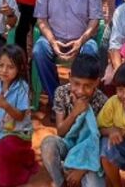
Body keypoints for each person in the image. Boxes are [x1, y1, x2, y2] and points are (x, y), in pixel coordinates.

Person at [32, 0, 103, 108]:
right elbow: (41, 19)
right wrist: (52, 41)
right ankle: (57, 101)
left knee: (91, 50)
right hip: (54, 39)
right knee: (39, 50)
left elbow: (95, 20)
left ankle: (83, 102)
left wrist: (80, 41)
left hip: (83, 39)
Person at [41, 54, 108, 187]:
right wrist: (75, 113)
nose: (80, 91)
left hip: (89, 153)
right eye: (76, 83)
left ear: (96, 82)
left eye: (88, 86)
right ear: (70, 77)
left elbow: (98, 142)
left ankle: (76, 171)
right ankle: (61, 182)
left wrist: (81, 169)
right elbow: (60, 132)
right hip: (68, 144)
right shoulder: (61, 92)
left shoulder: (102, 101)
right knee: (48, 144)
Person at [0, 45, 39, 186]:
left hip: (18, 133)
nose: (4, 70)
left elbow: (20, 116)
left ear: (19, 68)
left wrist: (5, 105)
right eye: (1, 65)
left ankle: (7, 180)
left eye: (10, 67)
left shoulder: (22, 87)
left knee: (1, 151)